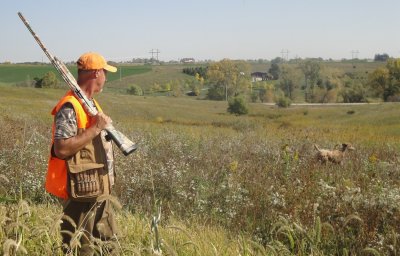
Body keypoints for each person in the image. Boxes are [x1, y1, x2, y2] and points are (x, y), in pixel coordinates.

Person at [45, 52, 119, 255]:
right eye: (105, 72)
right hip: (80, 196)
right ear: (96, 73)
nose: (106, 77)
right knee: (80, 250)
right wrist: (96, 129)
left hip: (99, 192)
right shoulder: (70, 106)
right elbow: (61, 149)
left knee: (107, 248)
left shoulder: (91, 104)